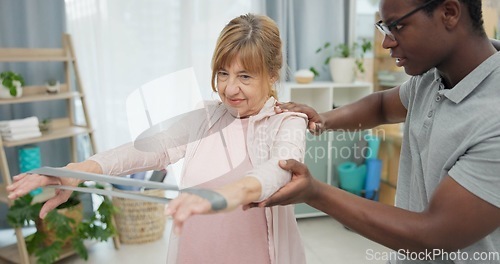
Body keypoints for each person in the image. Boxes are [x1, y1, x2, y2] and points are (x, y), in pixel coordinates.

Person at [7, 14, 308, 264]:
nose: (229, 89)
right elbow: (149, 149)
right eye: (223, 73)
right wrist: (76, 171)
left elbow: (275, 173)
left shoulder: (288, 123)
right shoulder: (205, 116)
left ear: (272, 75)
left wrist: (223, 196)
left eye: (245, 76)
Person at [260, 0, 499, 263]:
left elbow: (433, 234)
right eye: (385, 28)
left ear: (449, 13)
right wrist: (322, 119)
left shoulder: (493, 116)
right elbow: (382, 106)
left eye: (398, 26)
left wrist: (314, 192)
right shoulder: (432, 77)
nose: (387, 42)